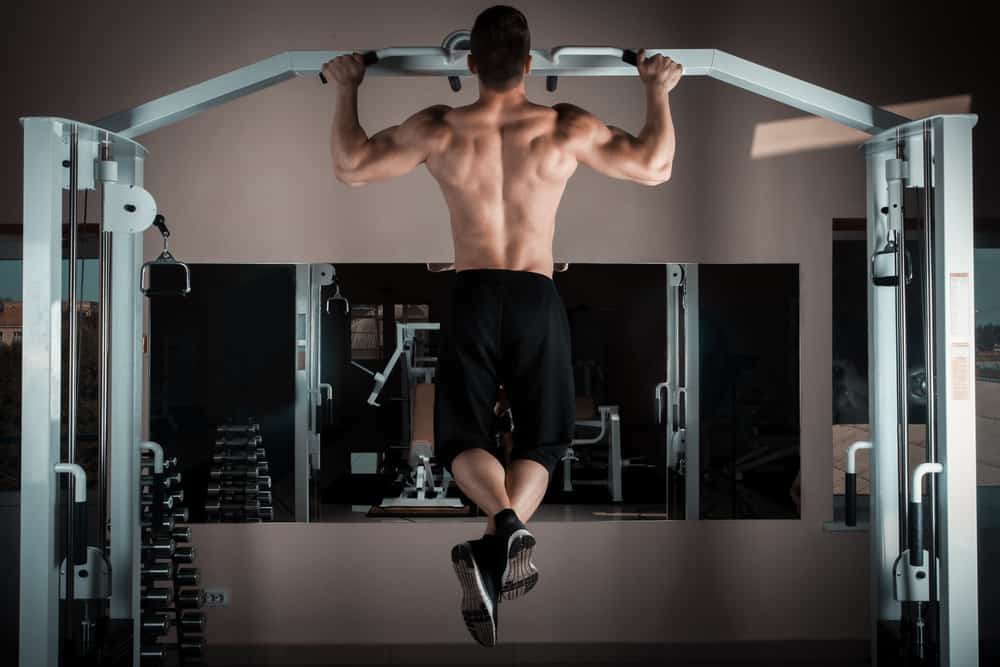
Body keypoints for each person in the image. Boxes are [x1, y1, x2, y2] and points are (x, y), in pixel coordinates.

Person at [322, 4, 682, 647]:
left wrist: (349, 88)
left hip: (471, 289)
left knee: (462, 437)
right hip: (537, 292)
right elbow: (655, 166)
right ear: (528, 63)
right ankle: (503, 534)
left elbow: (351, 166)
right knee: (543, 442)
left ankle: (503, 535)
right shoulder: (566, 125)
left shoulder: (439, 126)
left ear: (468, 62)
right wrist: (655, 89)